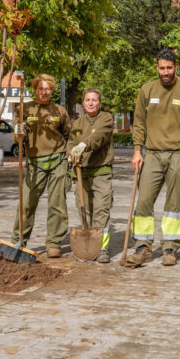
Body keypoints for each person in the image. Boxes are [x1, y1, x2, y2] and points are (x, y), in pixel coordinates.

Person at [125, 48, 180, 267]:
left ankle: (170, 247)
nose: (165, 71)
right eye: (161, 67)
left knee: (174, 205)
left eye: (169, 67)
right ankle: (143, 246)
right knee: (144, 202)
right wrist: (137, 150)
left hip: (179, 155)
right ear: (156, 67)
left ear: (175, 67)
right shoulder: (147, 90)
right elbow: (138, 122)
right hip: (153, 155)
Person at [12, 74, 71, 258]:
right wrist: (18, 132)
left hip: (57, 161)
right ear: (35, 90)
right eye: (40, 89)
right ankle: (19, 239)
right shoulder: (25, 108)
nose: (43, 92)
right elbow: (17, 136)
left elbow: (68, 135)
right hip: (34, 163)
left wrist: (69, 155)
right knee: (27, 203)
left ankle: (54, 242)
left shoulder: (59, 111)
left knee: (57, 204)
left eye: (47, 89)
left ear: (51, 90)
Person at [67, 88, 114, 263]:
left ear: (99, 103)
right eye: (88, 100)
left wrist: (83, 145)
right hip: (82, 172)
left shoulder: (106, 118)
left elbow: (101, 136)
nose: (91, 103)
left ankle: (102, 248)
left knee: (101, 209)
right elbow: (70, 143)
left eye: (94, 100)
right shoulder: (77, 123)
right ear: (83, 103)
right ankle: (88, 245)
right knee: (84, 209)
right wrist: (70, 155)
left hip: (101, 171)